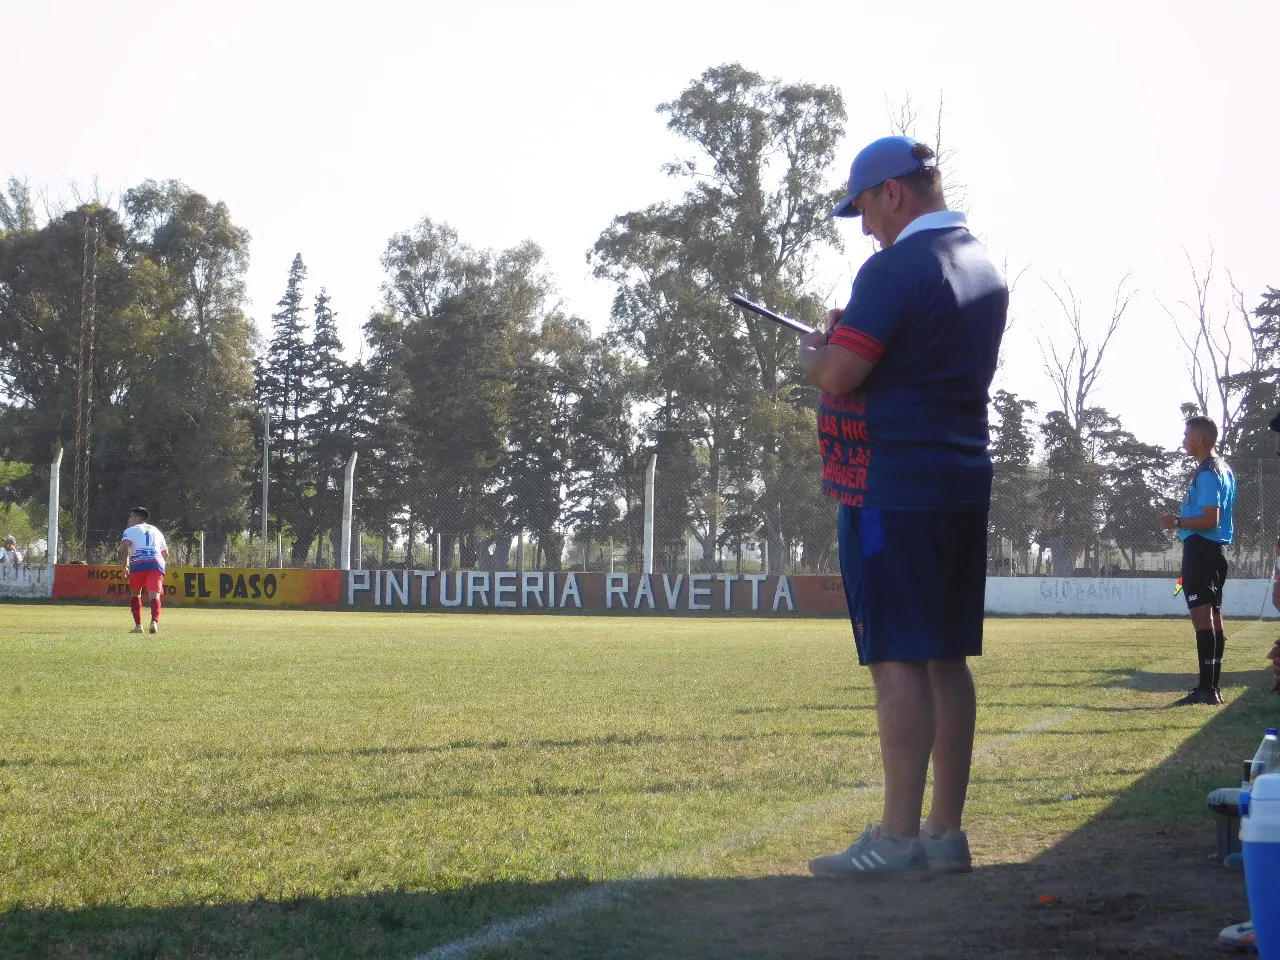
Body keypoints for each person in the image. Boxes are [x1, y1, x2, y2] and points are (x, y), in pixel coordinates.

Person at [798, 135, 1008, 878]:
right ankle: (943, 834)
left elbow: (841, 371)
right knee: (947, 660)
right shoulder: (984, 264)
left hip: (892, 489)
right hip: (961, 483)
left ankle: (895, 841)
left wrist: (814, 353)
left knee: (895, 664)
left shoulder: (892, 270)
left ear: (893, 192)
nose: (863, 227)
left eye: (863, 208)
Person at [1159, 417, 1236, 706]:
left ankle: (1207, 688)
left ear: (1200, 439)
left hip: (1202, 549)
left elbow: (1210, 518)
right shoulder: (1224, 469)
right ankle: (1210, 687)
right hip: (1214, 551)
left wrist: (1176, 520)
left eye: (1187, 434)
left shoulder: (1207, 473)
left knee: (1202, 616)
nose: (1183, 439)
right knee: (1213, 614)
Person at [119, 507, 168, 635]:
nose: (128, 520)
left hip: (138, 563)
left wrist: (124, 565)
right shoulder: (157, 531)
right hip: (156, 563)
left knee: (136, 593)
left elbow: (125, 546)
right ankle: (154, 622)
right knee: (154, 595)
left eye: (131, 517)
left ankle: (139, 626)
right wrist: (161, 567)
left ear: (138, 518)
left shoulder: (130, 530)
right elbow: (165, 553)